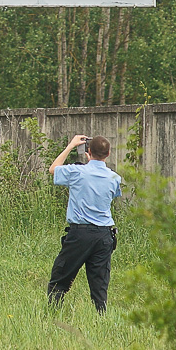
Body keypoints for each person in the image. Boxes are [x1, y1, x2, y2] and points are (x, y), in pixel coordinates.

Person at [46, 134, 122, 313]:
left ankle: (53, 314)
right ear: (108, 153)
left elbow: (53, 169)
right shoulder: (114, 178)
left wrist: (71, 145)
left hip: (80, 234)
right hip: (104, 235)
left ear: (88, 152)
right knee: (100, 283)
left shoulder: (76, 172)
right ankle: (101, 317)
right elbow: (113, 194)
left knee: (60, 277)